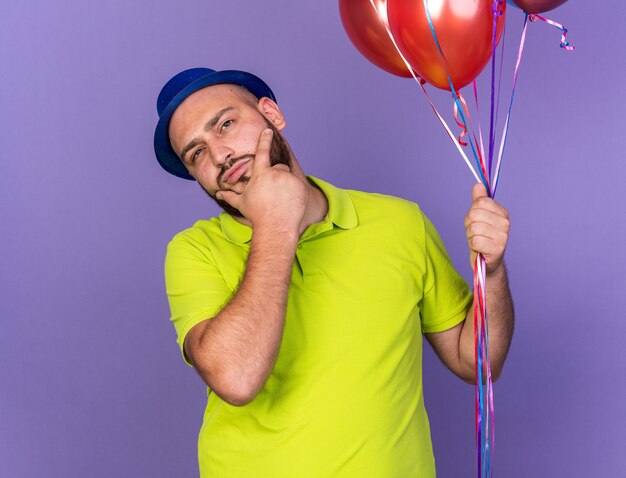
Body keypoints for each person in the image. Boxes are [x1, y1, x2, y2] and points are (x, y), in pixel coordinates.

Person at [154, 67, 514, 478]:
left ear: (271, 114)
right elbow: (236, 378)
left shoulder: (400, 222)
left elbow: (478, 364)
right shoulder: (192, 251)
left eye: (226, 124)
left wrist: (494, 272)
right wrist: (275, 224)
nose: (219, 155)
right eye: (196, 153)